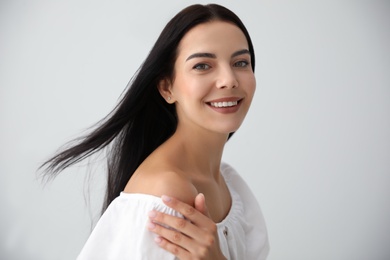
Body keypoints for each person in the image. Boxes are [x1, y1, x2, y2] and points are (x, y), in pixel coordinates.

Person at [42, 3, 269, 259]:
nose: (229, 79)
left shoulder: (229, 182)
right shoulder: (168, 195)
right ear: (166, 88)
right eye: (203, 66)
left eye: (241, 62)